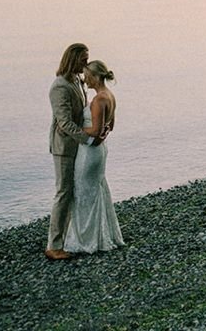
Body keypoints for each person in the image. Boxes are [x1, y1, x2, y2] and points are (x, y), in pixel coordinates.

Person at [64, 59, 124, 253]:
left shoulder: (99, 100)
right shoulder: (110, 96)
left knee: (83, 191)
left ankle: (86, 239)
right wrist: (101, 135)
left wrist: (73, 128)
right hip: (100, 150)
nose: (85, 80)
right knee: (95, 190)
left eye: (88, 77)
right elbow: (109, 127)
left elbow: (96, 129)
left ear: (96, 76)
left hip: (90, 153)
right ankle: (98, 235)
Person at [46, 42, 97, 260]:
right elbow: (64, 122)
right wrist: (88, 139)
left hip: (77, 145)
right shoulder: (59, 86)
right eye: (83, 60)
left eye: (87, 60)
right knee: (63, 193)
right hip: (64, 148)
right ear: (72, 59)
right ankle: (54, 245)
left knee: (74, 192)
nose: (86, 65)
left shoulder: (76, 81)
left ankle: (70, 238)